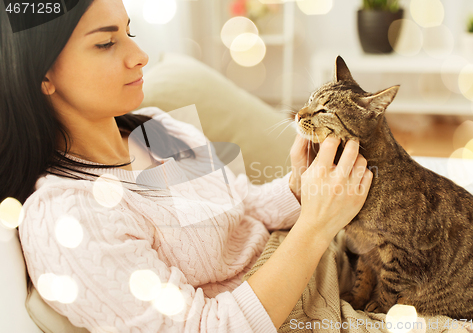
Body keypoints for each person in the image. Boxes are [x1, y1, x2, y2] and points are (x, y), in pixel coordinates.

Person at [0, 0, 373, 331]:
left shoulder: (152, 128)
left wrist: (300, 188)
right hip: (304, 308)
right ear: (43, 75)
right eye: (106, 42)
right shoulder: (70, 217)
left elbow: (243, 205)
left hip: (336, 261)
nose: (140, 55)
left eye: (130, 32)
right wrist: (315, 227)